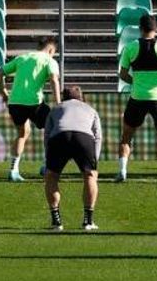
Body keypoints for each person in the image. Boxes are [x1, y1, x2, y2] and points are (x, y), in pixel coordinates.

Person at [116, 14, 157, 184]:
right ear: (156, 29)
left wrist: (136, 82)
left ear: (140, 29)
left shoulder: (130, 47)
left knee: (127, 134)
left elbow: (123, 74)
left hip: (137, 96)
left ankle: (122, 170)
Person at [0, 36, 62, 182]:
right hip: (34, 103)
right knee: (52, 129)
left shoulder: (22, 57)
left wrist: (4, 93)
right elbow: (53, 79)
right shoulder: (49, 60)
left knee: (23, 133)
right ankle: (47, 165)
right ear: (51, 49)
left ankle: (13, 170)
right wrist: (58, 102)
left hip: (15, 103)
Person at [43, 86, 102, 232]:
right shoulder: (90, 109)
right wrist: (95, 159)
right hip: (84, 138)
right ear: (81, 97)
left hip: (59, 137)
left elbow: (47, 134)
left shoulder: (56, 109)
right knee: (90, 176)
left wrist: (48, 158)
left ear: (64, 97)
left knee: (51, 177)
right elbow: (98, 135)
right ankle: (88, 222)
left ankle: (56, 222)